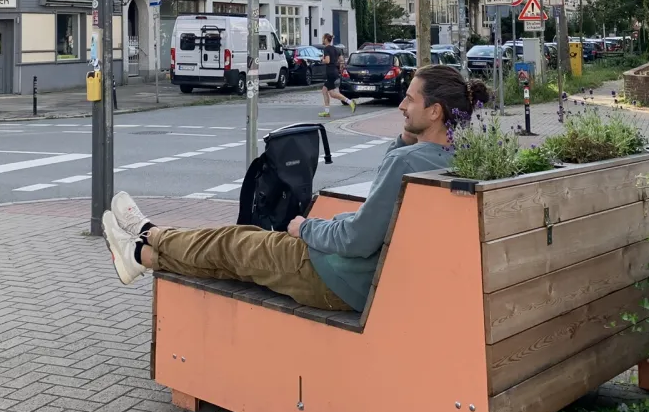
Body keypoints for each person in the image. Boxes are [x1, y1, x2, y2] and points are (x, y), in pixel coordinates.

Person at [99, 64, 468, 311]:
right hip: (368, 277)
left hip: (337, 276)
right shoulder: (458, 157)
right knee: (237, 256)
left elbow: (358, 239)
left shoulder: (408, 163)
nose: (402, 104)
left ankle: (147, 238)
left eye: (411, 98)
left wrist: (305, 227)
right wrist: (405, 139)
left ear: (435, 112)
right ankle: (141, 254)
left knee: (234, 244)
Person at [318, 32, 356, 118]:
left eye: (323, 38)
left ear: (326, 39)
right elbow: (341, 60)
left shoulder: (326, 49)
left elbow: (327, 61)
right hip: (334, 71)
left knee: (331, 93)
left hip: (330, 73)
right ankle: (327, 112)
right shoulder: (335, 49)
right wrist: (340, 66)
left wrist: (322, 60)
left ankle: (350, 102)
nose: (322, 40)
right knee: (326, 91)